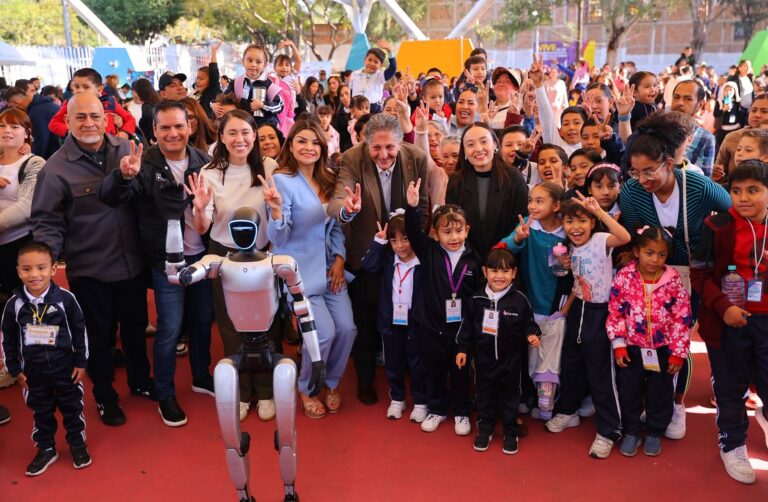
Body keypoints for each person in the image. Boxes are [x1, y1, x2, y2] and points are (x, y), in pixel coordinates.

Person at [31, 92, 152, 426]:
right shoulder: (55, 169)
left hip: (132, 265)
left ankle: (140, 382)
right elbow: (47, 221)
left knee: (134, 330)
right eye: (80, 117)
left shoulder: (128, 150)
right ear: (67, 122)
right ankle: (105, 395)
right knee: (98, 338)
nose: (88, 123)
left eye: (95, 116)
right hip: (90, 270)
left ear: (107, 118)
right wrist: (44, 265)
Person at [98, 100, 215, 427]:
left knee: (203, 320)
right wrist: (122, 177)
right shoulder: (142, 163)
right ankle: (164, 392)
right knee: (169, 328)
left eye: (179, 126)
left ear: (190, 127)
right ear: (154, 131)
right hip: (165, 262)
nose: (173, 133)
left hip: (202, 256)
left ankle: (201, 375)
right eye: (165, 127)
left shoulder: (204, 161)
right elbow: (110, 197)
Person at [620, 120, 731, 440]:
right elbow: (634, 236)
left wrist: (711, 244)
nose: (642, 180)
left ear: (669, 163)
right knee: (651, 337)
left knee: (679, 338)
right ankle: (654, 401)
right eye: (635, 172)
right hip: (653, 276)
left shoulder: (696, 185)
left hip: (693, 274)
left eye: (650, 171)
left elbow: (731, 212)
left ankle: (677, 404)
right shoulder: (631, 193)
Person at [184, 109, 278, 421]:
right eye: (232, 133)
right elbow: (202, 227)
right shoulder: (209, 174)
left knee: (265, 322)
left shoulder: (270, 167)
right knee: (231, 324)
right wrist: (198, 209)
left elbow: (279, 216)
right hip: (224, 253)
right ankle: (240, 391)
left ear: (255, 136)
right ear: (221, 138)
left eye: (246, 133)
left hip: (262, 254)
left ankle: (265, 390)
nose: (240, 139)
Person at [328, 113, 428, 405]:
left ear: (399, 143)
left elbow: (421, 206)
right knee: (366, 320)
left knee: (408, 315)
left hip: (406, 253)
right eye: (376, 148)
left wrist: (412, 246)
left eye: (390, 148)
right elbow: (336, 201)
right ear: (364, 141)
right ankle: (365, 379)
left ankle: (409, 371)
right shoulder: (351, 158)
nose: (383, 155)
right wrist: (348, 208)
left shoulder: (417, 158)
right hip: (365, 251)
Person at [264, 119, 356, 418]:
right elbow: (278, 238)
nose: (309, 147)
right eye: (302, 141)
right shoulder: (281, 181)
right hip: (301, 274)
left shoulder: (329, 178)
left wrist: (340, 257)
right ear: (290, 145)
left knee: (346, 329)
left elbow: (336, 227)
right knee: (323, 334)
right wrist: (277, 211)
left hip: (331, 270)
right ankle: (307, 386)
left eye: (315, 142)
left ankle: (330, 382)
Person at [691, 161, 768, 484]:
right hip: (728, 323)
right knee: (730, 386)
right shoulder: (717, 226)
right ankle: (733, 443)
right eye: (736, 191)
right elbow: (700, 274)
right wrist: (723, 307)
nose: (743, 198)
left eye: (753, 190)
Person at [544, 195, 630, 459]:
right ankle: (568, 411)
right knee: (572, 365)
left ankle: (609, 430)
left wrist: (600, 213)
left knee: (600, 373)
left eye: (582, 220)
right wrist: (566, 309)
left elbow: (624, 238)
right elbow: (577, 283)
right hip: (578, 310)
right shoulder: (570, 248)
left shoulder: (600, 241)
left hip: (601, 313)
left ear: (592, 222)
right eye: (569, 221)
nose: (575, 227)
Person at [1, 241, 91, 475]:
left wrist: (81, 362)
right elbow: (8, 338)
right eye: (27, 269)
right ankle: (46, 448)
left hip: (66, 369)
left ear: (53, 269)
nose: (34, 274)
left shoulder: (66, 299)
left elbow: (80, 330)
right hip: (33, 373)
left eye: (41, 268)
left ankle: (77, 444)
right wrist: (14, 368)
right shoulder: (14, 305)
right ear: (18, 271)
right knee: (41, 412)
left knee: (72, 408)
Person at [608, 226, 692, 458]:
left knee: (660, 392)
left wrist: (677, 353)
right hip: (632, 349)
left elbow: (682, 318)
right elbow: (615, 311)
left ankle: (654, 430)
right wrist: (619, 344)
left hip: (663, 350)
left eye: (661, 254)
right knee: (629, 391)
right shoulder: (625, 277)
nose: (655, 259)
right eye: (649, 253)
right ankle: (632, 431)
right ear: (637, 251)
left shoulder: (673, 281)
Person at [404, 185, 481, 436]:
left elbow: (477, 295)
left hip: (461, 331)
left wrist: (472, 327)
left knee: (460, 372)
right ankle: (436, 409)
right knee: (434, 370)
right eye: (447, 232)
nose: (454, 237)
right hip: (431, 327)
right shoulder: (429, 252)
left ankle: (461, 411)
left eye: (459, 230)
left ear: (467, 230)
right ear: (435, 234)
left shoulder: (474, 259)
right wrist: (412, 208)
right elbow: (414, 233)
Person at [456, 246, 541, 454]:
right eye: (494, 271)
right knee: (485, 395)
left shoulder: (520, 299)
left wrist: (532, 334)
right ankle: (485, 428)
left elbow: (529, 323)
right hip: (484, 362)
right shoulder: (476, 300)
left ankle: (510, 431)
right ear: (485, 272)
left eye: (505, 271)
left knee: (511, 397)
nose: (499, 276)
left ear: (514, 273)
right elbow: (466, 327)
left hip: (511, 362)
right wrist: (462, 349)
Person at [361, 213, 427, 422]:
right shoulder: (388, 259)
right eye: (394, 240)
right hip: (391, 320)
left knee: (417, 362)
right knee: (394, 361)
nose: (400, 245)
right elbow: (368, 265)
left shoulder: (422, 261)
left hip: (415, 320)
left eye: (405, 238)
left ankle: (420, 401)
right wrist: (379, 241)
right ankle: (397, 398)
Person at [446, 122, 528, 259]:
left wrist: (501, 251)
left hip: (506, 259)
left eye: (484, 142)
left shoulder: (513, 177)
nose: (478, 149)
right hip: (468, 259)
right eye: (470, 144)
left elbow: (520, 219)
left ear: (495, 145)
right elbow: (454, 222)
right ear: (464, 151)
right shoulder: (456, 180)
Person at [0, 108, 44, 301]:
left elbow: (26, 207)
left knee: (24, 306)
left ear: (27, 133)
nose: (6, 130)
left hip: (19, 245)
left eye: (14, 126)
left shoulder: (34, 163)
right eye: (2, 126)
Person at [48, 68, 137, 142]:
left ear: (99, 90)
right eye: (76, 86)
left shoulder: (110, 102)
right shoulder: (70, 104)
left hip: (110, 148)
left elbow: (130, 119)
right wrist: (70, 132)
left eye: (86, 87)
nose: (80, 90)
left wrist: (124, 133)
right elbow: (54, 123)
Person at [225, 45, 284, 127]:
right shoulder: (236, 83)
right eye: (250, 60)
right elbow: (223, 99)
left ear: (265, 65)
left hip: (264, 129)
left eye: (258, 62)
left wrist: (263, 105)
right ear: (243, 61)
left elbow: (279, 105)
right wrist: (214, 104)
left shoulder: (269, 85)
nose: (253, 64)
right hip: (243, 127)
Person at [670, 79, 716, 176]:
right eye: (676, 97)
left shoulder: (705, 138)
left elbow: (703, 181)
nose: (680, 103)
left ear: (700, 105)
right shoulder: (655, 128)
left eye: (688, 99)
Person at [2, 86, 59, 160]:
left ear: (17, 102)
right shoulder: (43, 105)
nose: (13, 111)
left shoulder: (36, 112)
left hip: (53, 156)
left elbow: (41, 140)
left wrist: (34, 161)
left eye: (11, 107)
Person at [349, 40, 396, 113]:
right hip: (356, 109)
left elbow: (393, 68)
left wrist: (390, 51)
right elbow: (351, 91)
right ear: (365, 60)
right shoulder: (355, 74)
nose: (372, 63)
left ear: (381, 65)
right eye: (369, 60)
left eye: (376, 62)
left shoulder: (380, 76)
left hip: (374, 110)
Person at [194, 40, 222, 119]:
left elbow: (213, 71)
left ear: (210, 80)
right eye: (197, 78)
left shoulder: (213, 90)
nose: (198, 81)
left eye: (201, 79)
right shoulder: (198, 94)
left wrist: (213, 51)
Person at [132, 78, 160, 143]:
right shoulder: (155, 101)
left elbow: (153, 119)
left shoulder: (147, 106)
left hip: (153, 144)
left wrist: (153, 139)